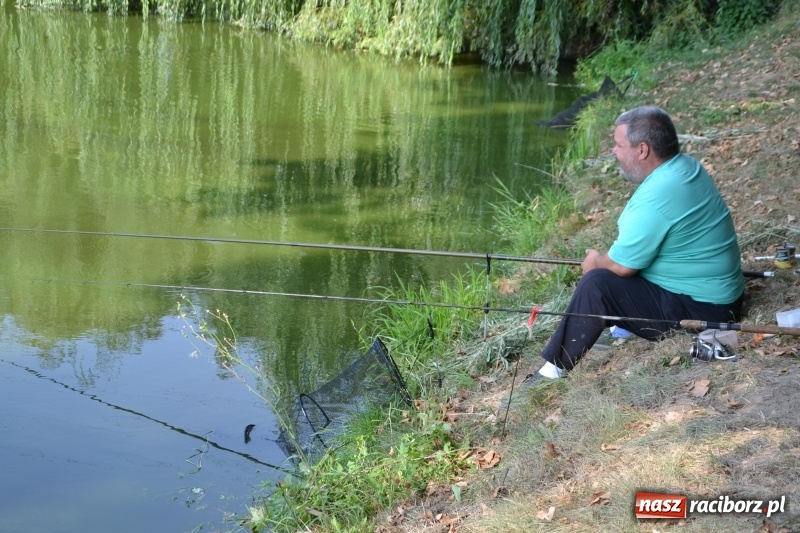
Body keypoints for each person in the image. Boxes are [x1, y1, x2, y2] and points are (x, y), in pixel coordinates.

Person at [525, 105, 745, 385]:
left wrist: (594, 263)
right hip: (722, 299)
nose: (613, 152)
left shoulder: (656, 196)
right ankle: (616, 326)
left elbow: (621, 267)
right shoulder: (686, 166)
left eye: (618, 145)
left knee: (597, 284)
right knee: (616, 268)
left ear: (642, 150)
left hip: (704, 314)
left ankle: (551, 372)